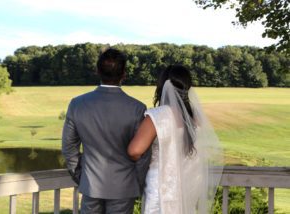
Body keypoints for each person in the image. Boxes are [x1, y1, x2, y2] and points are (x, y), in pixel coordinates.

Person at [62, 48, 151, 214]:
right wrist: (135, 182)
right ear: (124, 74)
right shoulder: (137, 108)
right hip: (124, 188)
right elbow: (143, 155)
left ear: (97, 71)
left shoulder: (77, 104)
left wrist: (82, 178)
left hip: (91, 186)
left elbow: (69, 148)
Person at [128, 65, 223, 213]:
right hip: (187, 185)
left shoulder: (157, 116)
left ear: (162, 86)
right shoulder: (195, 119)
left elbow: (135, 150)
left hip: (161, 185)